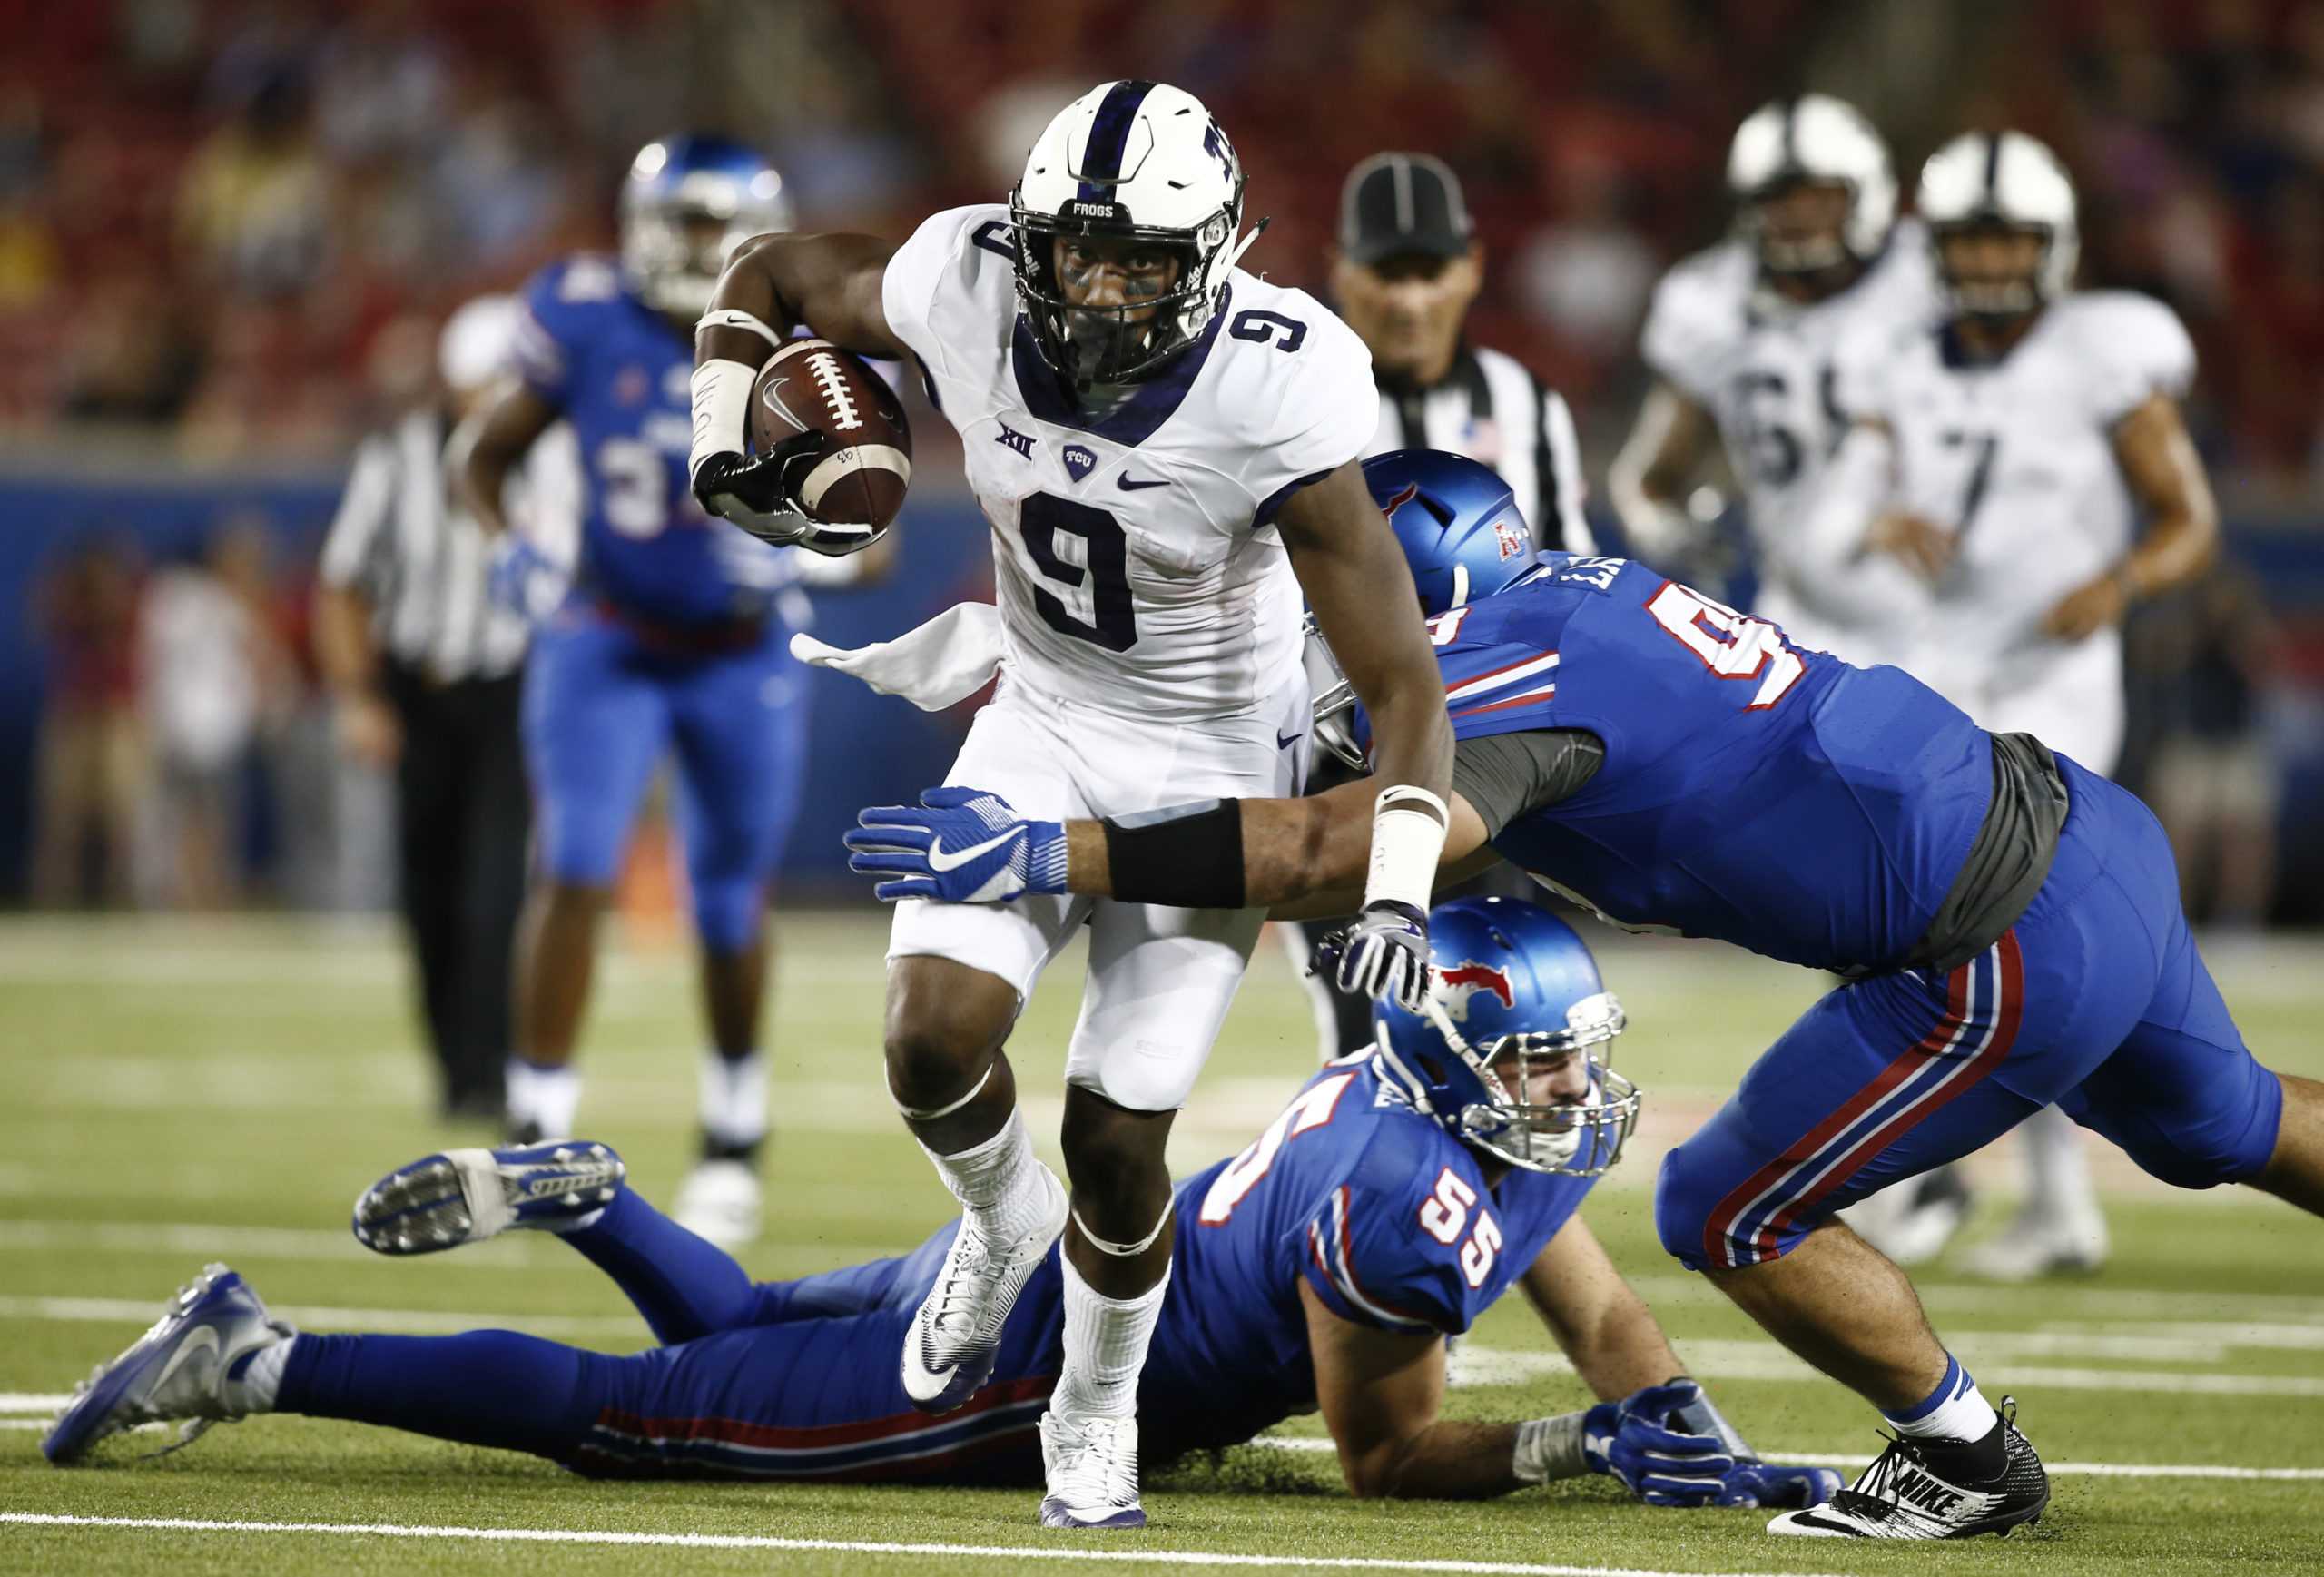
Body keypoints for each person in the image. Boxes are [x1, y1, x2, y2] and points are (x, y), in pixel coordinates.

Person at [846, 449, 2324, 1541]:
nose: (1320, 615)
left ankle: (1965, 1456)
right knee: (2235, 1121)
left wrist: (1052, 844)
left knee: (1726, 1206)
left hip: (1992, 938)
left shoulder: (1492, 681)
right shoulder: (1572, 593)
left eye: (1338, 585)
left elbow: (1327, 846)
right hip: (2086, 828)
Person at [44, 897, 1837, 1522]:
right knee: (630, 1418)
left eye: (1570, 1058)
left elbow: (1587, 1289)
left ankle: (596, 1205)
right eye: (1536, 1061)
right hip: (1024, 1370)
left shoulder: (1448, 1119)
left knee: (749, 1334)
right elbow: (1385, 1452)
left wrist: (1667, 1405)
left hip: (1049, 1269)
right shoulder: (1403, 1196)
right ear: (1454, 1056)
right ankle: (256, 1354)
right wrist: (1574, 1449)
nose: (1567, 1092)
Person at [687, 80, 1456, 1532]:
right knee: (929, 1036)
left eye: (1139, 263)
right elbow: (771, 270)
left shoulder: (1280, 382)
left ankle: (1095, 1405)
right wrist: (723, 422)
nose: (1098, 289)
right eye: (1075, 253)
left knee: (1117, 1138)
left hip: (1213, 756)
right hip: (1041, 711)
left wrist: (1401, 887)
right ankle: (999, 1221)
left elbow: (1404, 682)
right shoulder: (963, 278)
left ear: (1213, 257)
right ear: (1028, 238)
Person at [1799, 131, 2221, 1279]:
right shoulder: (1895, 360)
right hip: (1941, 674)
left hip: (2054, 680)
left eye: (2008, 241)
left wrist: (2118, 583)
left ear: (2055, 246)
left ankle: (2007, 1194)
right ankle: (2002, 1193)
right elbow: (1833, 517)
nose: (1988, 263)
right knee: (1918, 927)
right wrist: (1872, 522)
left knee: (2007, 925)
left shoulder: (2102, 352)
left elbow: (2189, 522)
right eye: (1969, 240)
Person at [452, 136, 819, 1246]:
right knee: (572, 867)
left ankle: (734, 1133)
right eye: (685, 222)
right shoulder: (584, 314)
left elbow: (878, 535)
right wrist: (511, 546)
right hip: (604, 634)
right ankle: (534, 1131)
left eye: (718, 226)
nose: (700, 247)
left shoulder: (805, 342)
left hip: (742, 650)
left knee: (728, 899)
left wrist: (804, 549)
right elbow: (481, 458)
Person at [1287, 152, 1594, 1062]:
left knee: (1515, 1033)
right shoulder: (1289, 399)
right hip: (1336, 771)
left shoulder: (1525, 403)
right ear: (1342, 271)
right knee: (1367, 1038)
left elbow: (1569, 583)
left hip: (1488, 773)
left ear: (1471, 268)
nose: (1410, 299)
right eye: (1387, 272)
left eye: (1429, 271)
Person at [314, 297, 555, 1120]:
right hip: (418, 690)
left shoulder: (551, 459)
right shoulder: (396, 459)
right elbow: (343, 584)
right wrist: (358, 697)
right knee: (428, 887)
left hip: (512, 691)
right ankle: (455, 1065)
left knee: (497, 885)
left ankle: (495, 1067)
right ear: (456, 383)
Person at [1610, 94, 1935, 668]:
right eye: (1779, 199)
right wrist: (1664, 531)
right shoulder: (1711, 301)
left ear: (1868, 192)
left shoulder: (1931, 279)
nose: (1798, 216)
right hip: (1803, 619)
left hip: (1948, 610)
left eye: (1819, 197)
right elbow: (1645, 478)